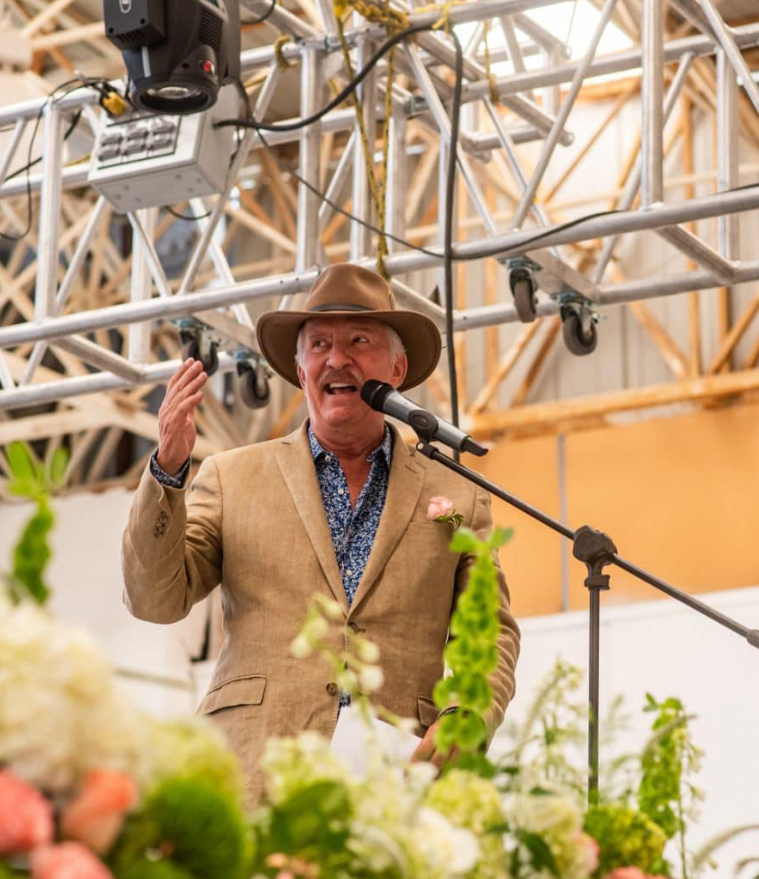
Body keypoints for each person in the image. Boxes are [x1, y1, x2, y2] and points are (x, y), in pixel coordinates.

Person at [121, 263, 521, 803]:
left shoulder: (458, 496)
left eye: (359, 340)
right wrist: (167, 470)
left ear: (397, 369)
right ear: (299, 369)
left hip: (398, 780)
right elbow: (155, 599)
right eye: (318, 345)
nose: (337, 358)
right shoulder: (231, 476)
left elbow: (489, 632)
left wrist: (468, 712)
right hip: (255, 772)